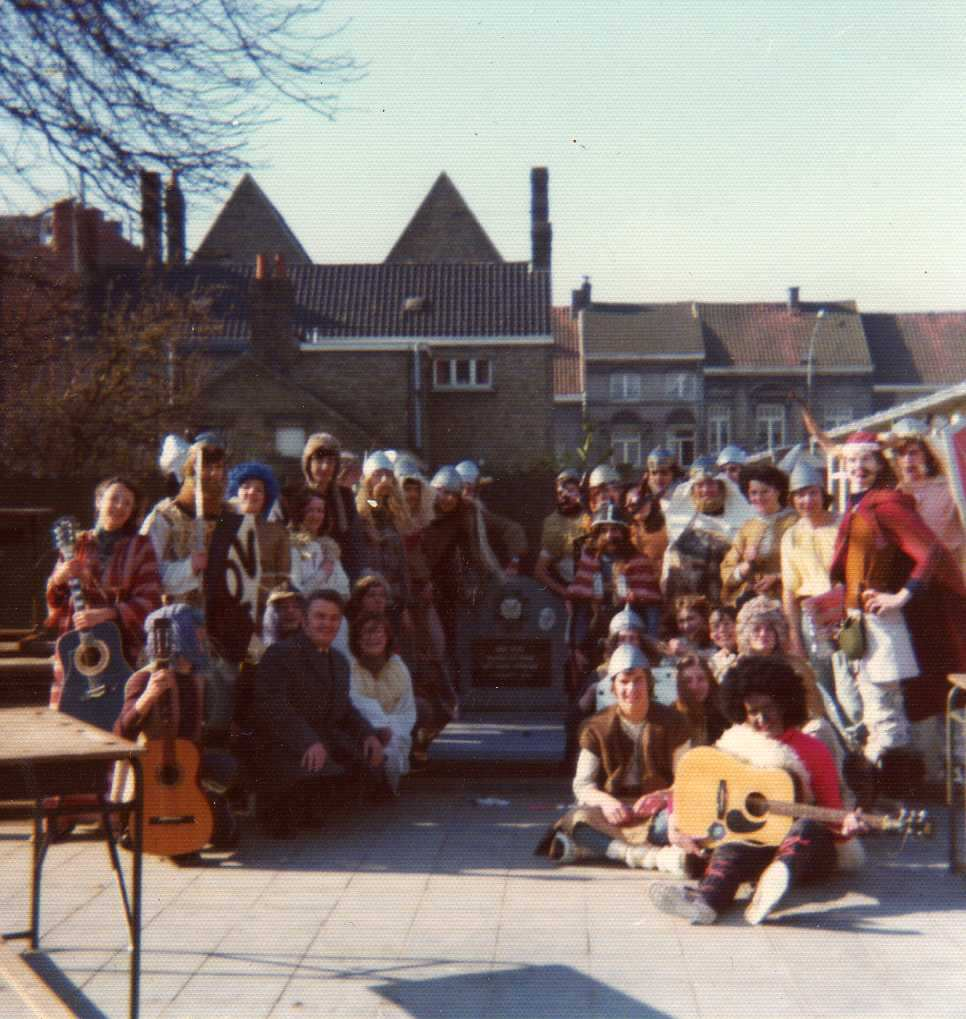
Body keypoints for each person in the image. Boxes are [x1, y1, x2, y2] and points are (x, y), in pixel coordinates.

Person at [650, 656, 867, 926]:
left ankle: (774, 881)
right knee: (730, 848)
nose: (762, 719)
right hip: (754, 847)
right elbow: (693, 780)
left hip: (805, 854)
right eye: (752, 712)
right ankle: (706, 901)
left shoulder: (813, 750)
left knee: (808, 827)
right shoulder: (735, 741)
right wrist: (675, 820)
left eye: (769, 709)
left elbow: (831, 813)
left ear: (786, 704)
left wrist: (845, 828)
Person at [828, 430, 966, 793]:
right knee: (882, 712)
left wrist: (900, 596)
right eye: (852, 461)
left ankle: (884, 792)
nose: (858, 467)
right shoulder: (862, 505)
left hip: (881, 623)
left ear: (880, 463)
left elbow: (933, 552)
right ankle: (897, 790)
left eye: (866, 460)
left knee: (884, 714)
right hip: (864, 623)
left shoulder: (885, 505)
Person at [539, 645, 691, 874]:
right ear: (613, 686)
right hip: (613, 811)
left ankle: (595, 849)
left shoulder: (674, 722)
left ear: (648, 683)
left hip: (657, 811)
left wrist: (662, 796)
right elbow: (582, 785)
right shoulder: (596, 727)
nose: (631, 688)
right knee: (577, 820)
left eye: (638, 680)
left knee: (677, 822)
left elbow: (687, 780)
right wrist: (606, 802)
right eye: (624, 682)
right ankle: (648, 857)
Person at [251, 590, 386, 839]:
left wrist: (368, 734)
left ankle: (311, 804)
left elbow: (344, 709)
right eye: (320, 617)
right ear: (304, 620)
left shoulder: (338, 660)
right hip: (282, 743)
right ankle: (281, 810)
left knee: (369, 761)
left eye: (334, 618)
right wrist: (308, 741)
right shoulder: (281, 654)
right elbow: (273, 708)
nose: (327, 624)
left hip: (321, 739)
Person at [114, 604, 239, 853]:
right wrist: (148, 697)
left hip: (187, 765)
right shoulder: (143, 678)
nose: (203, 637)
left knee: (226, 836)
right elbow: (121, 733)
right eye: (197, 631)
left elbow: (212, 726)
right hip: (150, 769)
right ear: (181, 635)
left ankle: (206, 803)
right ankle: (139, 817)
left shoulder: (198, 679)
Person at [46, 476, 162, 708]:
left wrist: (108, 613)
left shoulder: (140, 546)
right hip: (77, 644)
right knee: (70, 711)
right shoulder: (76, 544)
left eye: (127, 503)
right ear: (99, 501)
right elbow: (55, 598)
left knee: (113, 715)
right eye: (114, 498)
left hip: (120, 647)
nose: (120, 506)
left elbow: (150, 600)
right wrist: (60, 577)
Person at [566, 503, 663, 673]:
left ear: (624, 533)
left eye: (615, 530)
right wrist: (577, 648)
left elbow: (651, 608)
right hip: (597, 633)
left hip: (631, 633)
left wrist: (651, 643)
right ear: (597, 534)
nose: (610, 536)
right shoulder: (589, 560)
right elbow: (580, 609)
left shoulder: (638, 560)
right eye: (604, 530)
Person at [663, 457, 753, 606]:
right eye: (700, 485)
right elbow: (672, 562)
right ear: (692, 489)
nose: (706, 490)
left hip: (729, 597)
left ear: (721, 486)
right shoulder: (681, 521)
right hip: (691, 600)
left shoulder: (743, 517)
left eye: (710, 484)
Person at [347, 613, 417, 793]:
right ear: (357, 640)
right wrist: (376, 729)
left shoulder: (398, 667)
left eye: (378, 632)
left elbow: (406, 708)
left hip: (395, 728)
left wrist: (392, 729)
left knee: (392, 746)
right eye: (366, 633)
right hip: (362, 729)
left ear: (387, 637)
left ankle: (385, 784)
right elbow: (356, 705)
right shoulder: (350, 668)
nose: (373, 638)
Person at [889, 417, 965, 570]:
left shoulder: (949, 486)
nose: (908, 460)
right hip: (910, 575)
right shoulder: (894, 493)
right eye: (902, 454)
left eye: (913, 453)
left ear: (927, 454)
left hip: (950, 571)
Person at [720, 463, 797, 608]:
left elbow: (806, 564)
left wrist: (778, 577)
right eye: (753, 493)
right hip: (753, 601)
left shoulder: (795, 522)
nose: (759, 497)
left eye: (765, 492)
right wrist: (746, 566)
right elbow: (727, 569)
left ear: (778, 491)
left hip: (788, 599)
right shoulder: (748, 527)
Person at [225, 461, 292, 627]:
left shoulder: (277, 531)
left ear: (266, 497)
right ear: (235, 492)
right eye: (246, 486)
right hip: (229, 605)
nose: (252, 492)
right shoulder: (222, 528)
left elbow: (283, 576)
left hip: (265, 609)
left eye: (259, 489)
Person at [354, 451, 413, 632]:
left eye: (387, 474)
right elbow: (372, 504)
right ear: (367, 479)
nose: (384, 479)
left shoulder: (393, 511)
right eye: (378, 474)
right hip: (372, 595)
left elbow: (402, 562)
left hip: (395, 596)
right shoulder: (364, 510)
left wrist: (405, 603)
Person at [534, 468, 587, 601]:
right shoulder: (553, 523)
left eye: (570, 490)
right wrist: (565, 592)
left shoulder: (591, 516)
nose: (565, 496)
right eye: (560, 492)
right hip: (571, 588)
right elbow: (540, 571)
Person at [287, 489, 351, 600]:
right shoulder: (291, 545)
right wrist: (322, 573)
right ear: (300, 512)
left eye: (320, 511)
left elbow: (344, 590)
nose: (316, 516)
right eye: (310, 510)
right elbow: (297, 593)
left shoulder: (329, 547)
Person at [673, 654, 729, 747]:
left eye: (701, 679)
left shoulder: (725, 711)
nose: (695, 686)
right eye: (688, 681)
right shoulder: (673, 717)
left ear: (709, 681)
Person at [641, 447, 683, 513]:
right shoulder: (642, 497)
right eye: (654, 473)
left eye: (664, 473)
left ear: (673, 474)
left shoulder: (685, 495)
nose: (658, 478)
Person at [707, 606, 739, 681]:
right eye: (716, 626)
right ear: (711, 635)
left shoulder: (749, 657)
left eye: (727, 624)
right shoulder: (712, 662)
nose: (722, 630)